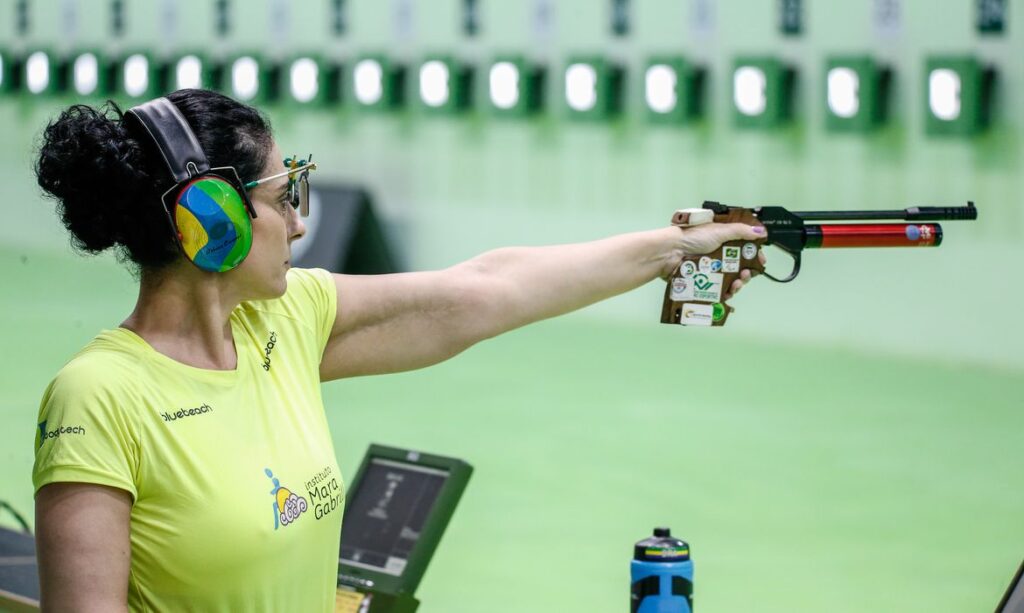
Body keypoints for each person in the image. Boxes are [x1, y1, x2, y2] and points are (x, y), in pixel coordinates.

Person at [31, 89, 764, 612]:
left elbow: (480, 290)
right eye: (284, 198)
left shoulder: (286, 321)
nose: (299, 223)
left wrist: (672, 248)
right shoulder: (100, 396)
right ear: (211, 218)